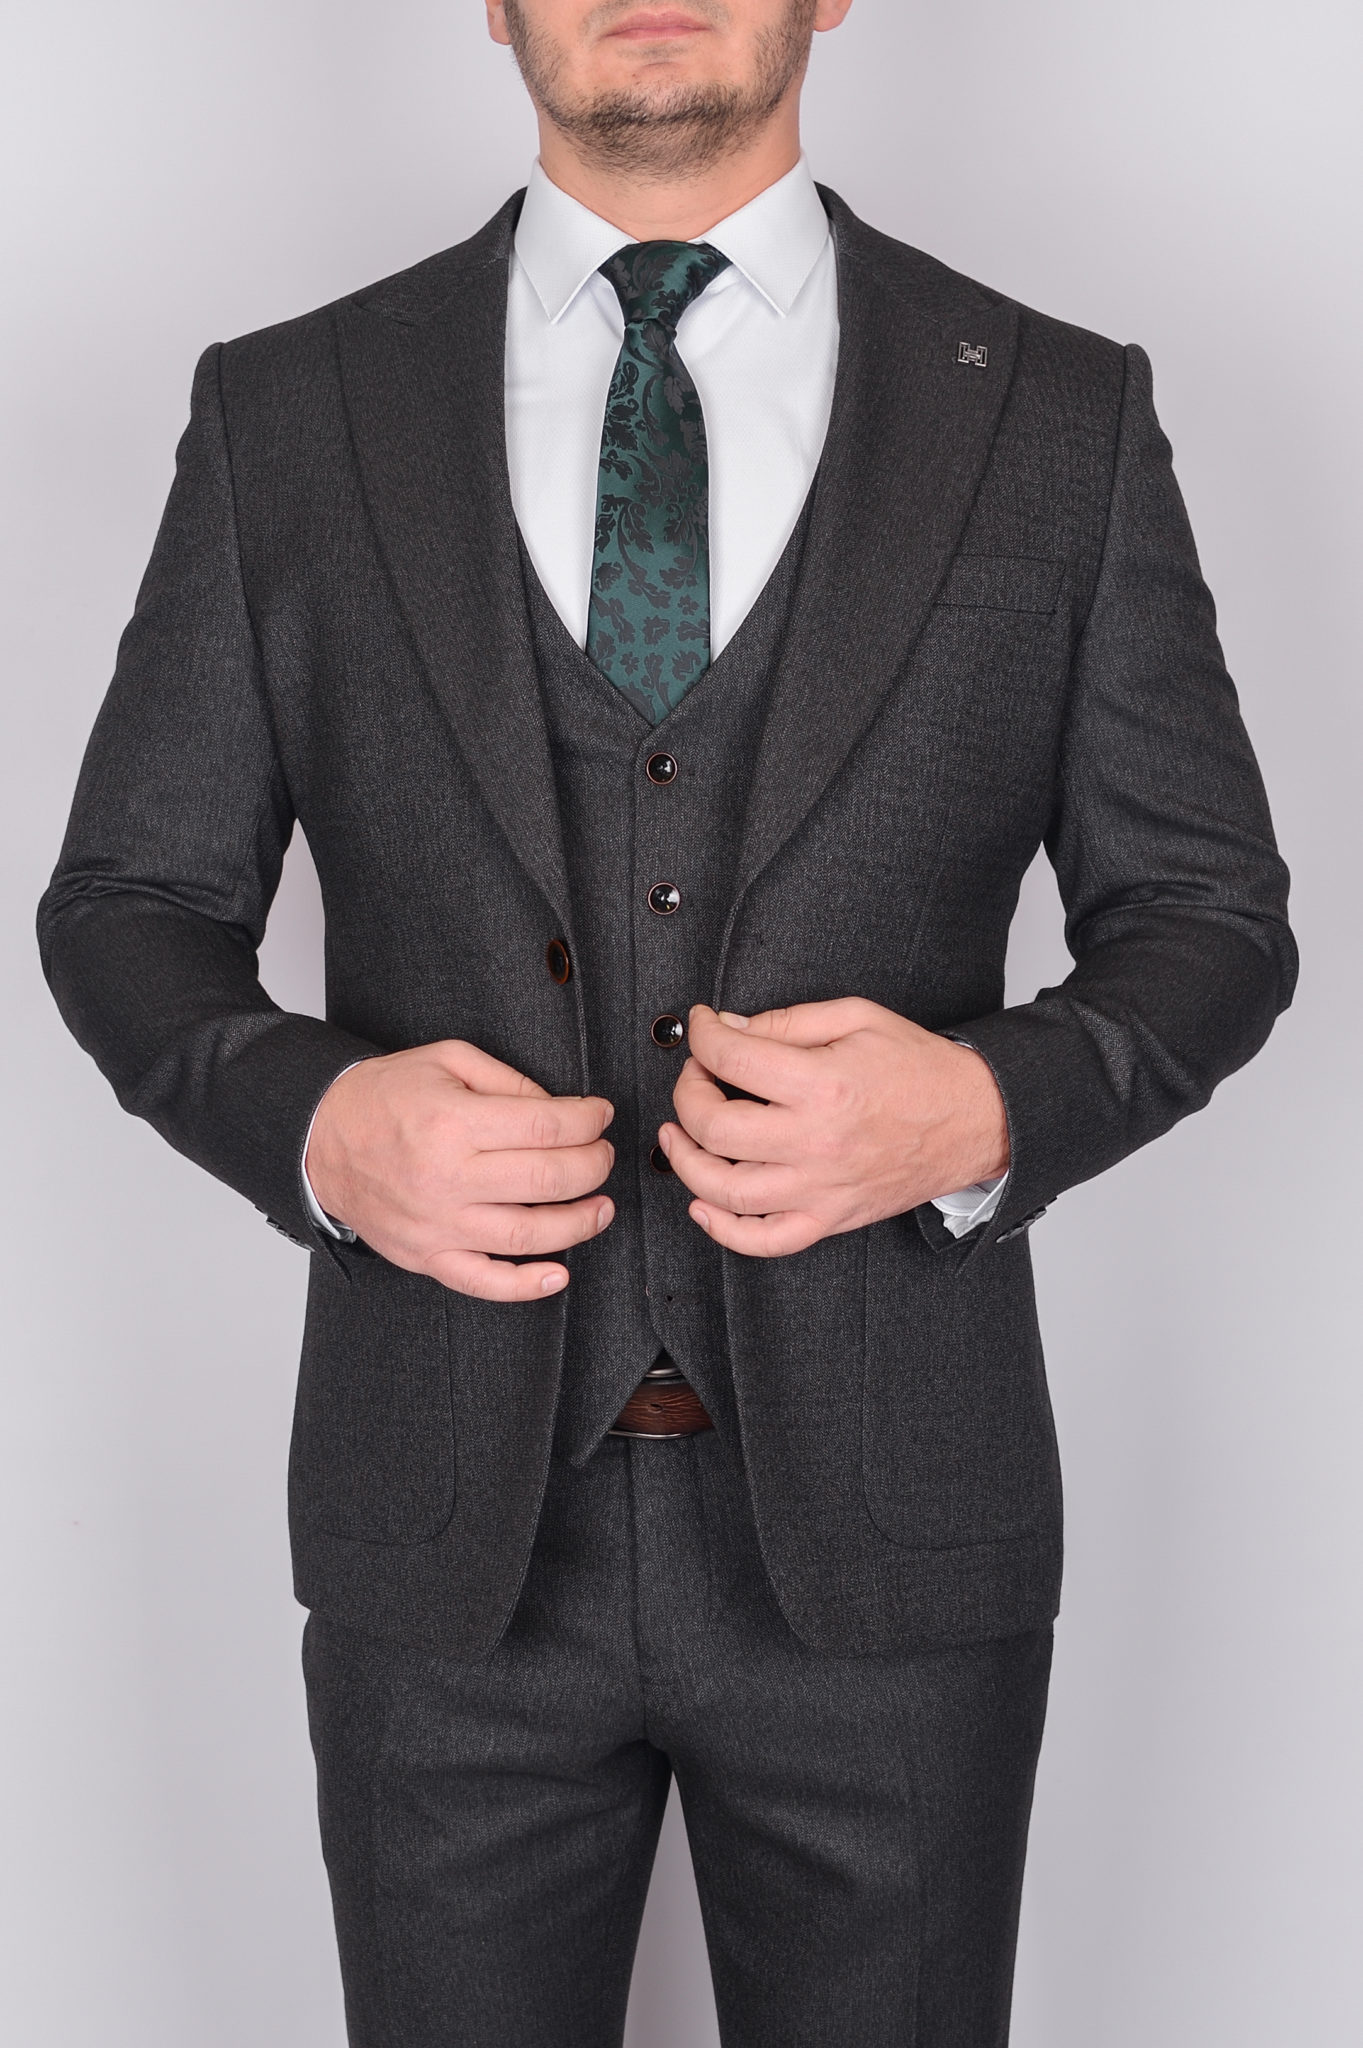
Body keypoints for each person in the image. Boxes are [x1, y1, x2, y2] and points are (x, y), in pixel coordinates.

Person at [37, 2, 1297, 2041]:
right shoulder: (292, 409)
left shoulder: (1055, 413)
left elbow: (1208, 916)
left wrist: (980, 1109)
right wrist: (318, 1126)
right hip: (443, 1539)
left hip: (898, 1532)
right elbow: (129, 906)